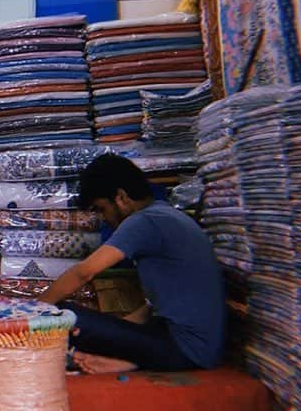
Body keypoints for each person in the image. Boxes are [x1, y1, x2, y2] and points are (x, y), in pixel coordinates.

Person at [41, 153, 225, 375]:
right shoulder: (165, 215)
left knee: (61, 316)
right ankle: (134, 362)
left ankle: (138, 359)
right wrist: (116, 334)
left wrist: (31, 313)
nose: (103, 218)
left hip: (186, 351)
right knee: (93, 325)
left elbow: (84, 273)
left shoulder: (143, 222)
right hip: (198, 349)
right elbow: (152, 308)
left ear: (121, 197)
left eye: (101, 209)